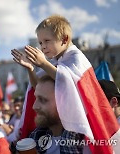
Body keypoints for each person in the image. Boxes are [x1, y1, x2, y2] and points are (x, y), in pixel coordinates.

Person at [11, 14, 120, 153]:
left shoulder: (77, 57)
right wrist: (31, 69)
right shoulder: (56, 62)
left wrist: (43, 63)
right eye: (40, 43)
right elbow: (38, 87)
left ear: (64, 39)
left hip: (77, 124)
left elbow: (68, 83)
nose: (43, 47)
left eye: (47, 41)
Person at [29, 75, 84, 153]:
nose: (34, 106)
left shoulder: (84, 144)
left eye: (43, 100)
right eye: (36, 98)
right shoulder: (37, 136)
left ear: (65, 103)